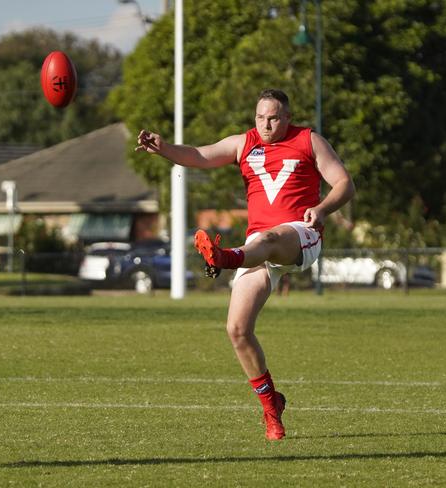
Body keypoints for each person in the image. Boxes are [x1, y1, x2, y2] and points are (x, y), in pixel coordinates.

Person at [136, 89, 355, 441]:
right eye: (260, 117)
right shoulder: (244, 144)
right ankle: (272, 407)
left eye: (273, 118)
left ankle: (223, 258)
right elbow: (199, 155)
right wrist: (164, 148)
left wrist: (324, 208)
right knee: (237, 330)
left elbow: (345, 183)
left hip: (299, 235)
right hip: (255, 247)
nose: (266, 124)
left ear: (287, 117)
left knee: (266, 242)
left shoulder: (309, 140)